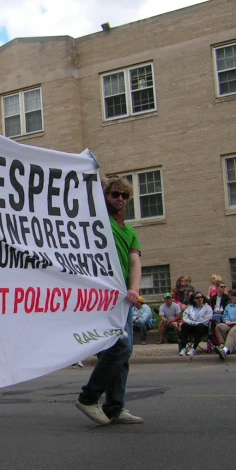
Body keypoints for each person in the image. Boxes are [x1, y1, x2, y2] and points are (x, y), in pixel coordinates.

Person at [75, 176, 143, 426]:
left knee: (123, 354)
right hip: (102, 298)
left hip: (123, 299)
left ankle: (115, 407)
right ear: (104, 197)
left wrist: (134, 289)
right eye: (115, 194)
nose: (120, 200)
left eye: (125, 196)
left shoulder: (130, 231)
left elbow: (135, 261)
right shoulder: (98, 223)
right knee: (120, 348)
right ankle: (88, 397)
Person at [178, 292, 213, 356]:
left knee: (200, 326)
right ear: (194, 299)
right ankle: (183, 348)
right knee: (184, 325)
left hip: (203, 327)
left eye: (201, 297)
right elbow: (185, 317)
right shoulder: (190, 308)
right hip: (192, 326)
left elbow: (207, 319)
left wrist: (197, 323)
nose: (200, 299)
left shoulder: (207, 308)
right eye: (197, 298)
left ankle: (194, 348)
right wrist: (193, 323)